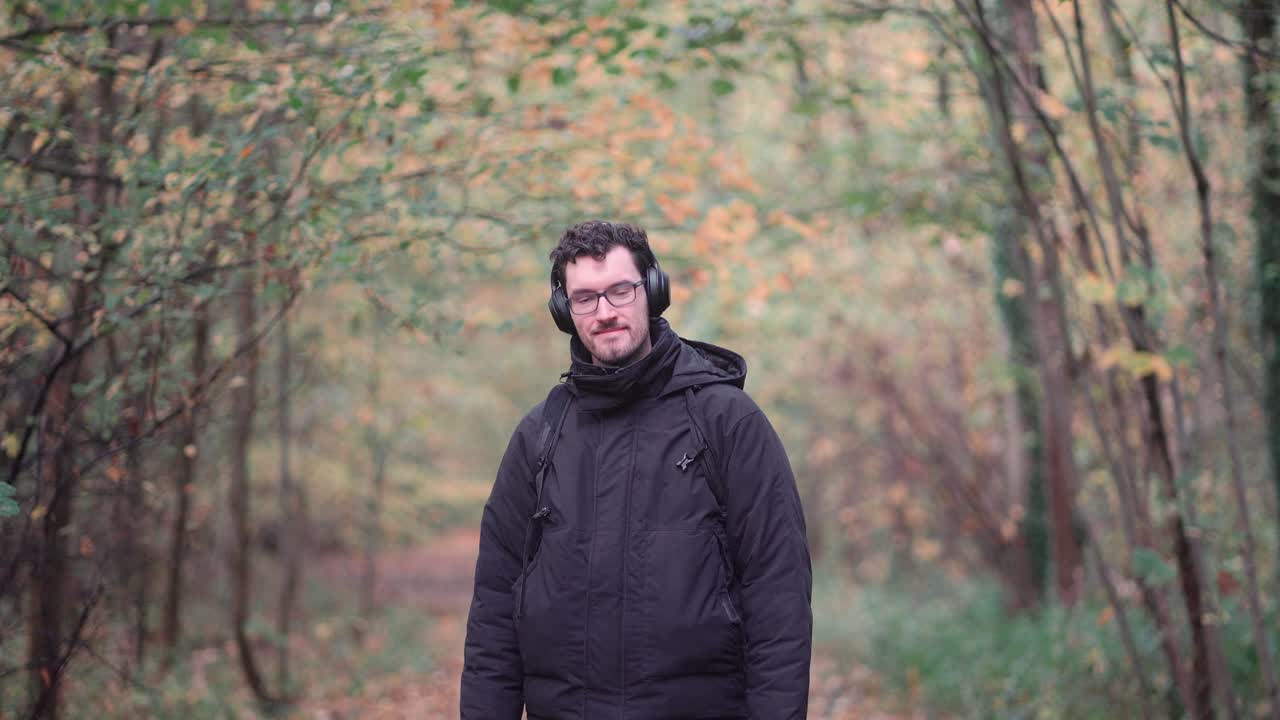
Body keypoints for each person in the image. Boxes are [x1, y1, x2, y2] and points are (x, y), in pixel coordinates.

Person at [460, 220, 812, 719]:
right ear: (564, 310)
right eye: (585, 298)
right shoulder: (539, 435)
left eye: (619, 291)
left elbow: (778, 595)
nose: (604, 312)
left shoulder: (727, 422)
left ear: (652, 291)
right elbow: (494, 609)